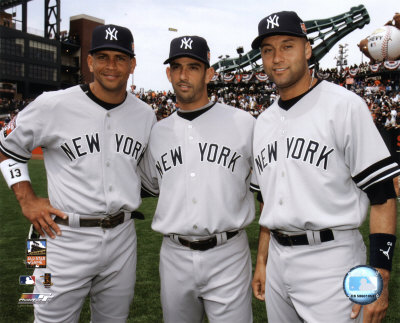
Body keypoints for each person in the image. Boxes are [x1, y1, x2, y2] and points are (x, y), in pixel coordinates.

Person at [250, 11, 399, 323]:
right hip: (277, 257)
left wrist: (380, 278)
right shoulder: (262, 122)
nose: (276, 57)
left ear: (307, 50)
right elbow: (267, 199)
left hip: (332, 258)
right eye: (267, 50)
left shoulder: (344, 106)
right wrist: (262, 260)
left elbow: (383, 196)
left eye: (287, 46)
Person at [0, 24, 156, 322]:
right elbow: (5, 145)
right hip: (58, 237)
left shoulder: (145, 114)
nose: (111, 66)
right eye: (103, 57)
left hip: (122, 239)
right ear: (89, 61)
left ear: (133, 64)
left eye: (120, 58)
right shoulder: (52, 103)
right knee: (45, 316)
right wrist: (27, 199)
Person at [139, 35, 256, 323]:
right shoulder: (157, 132)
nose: (183, 74)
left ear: (209, 73)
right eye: (176, 67)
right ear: (168, 73)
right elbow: (150, 185)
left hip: (228, 252)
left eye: (193, 66)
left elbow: (266, 187)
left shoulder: (244, 123)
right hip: (174, 254)